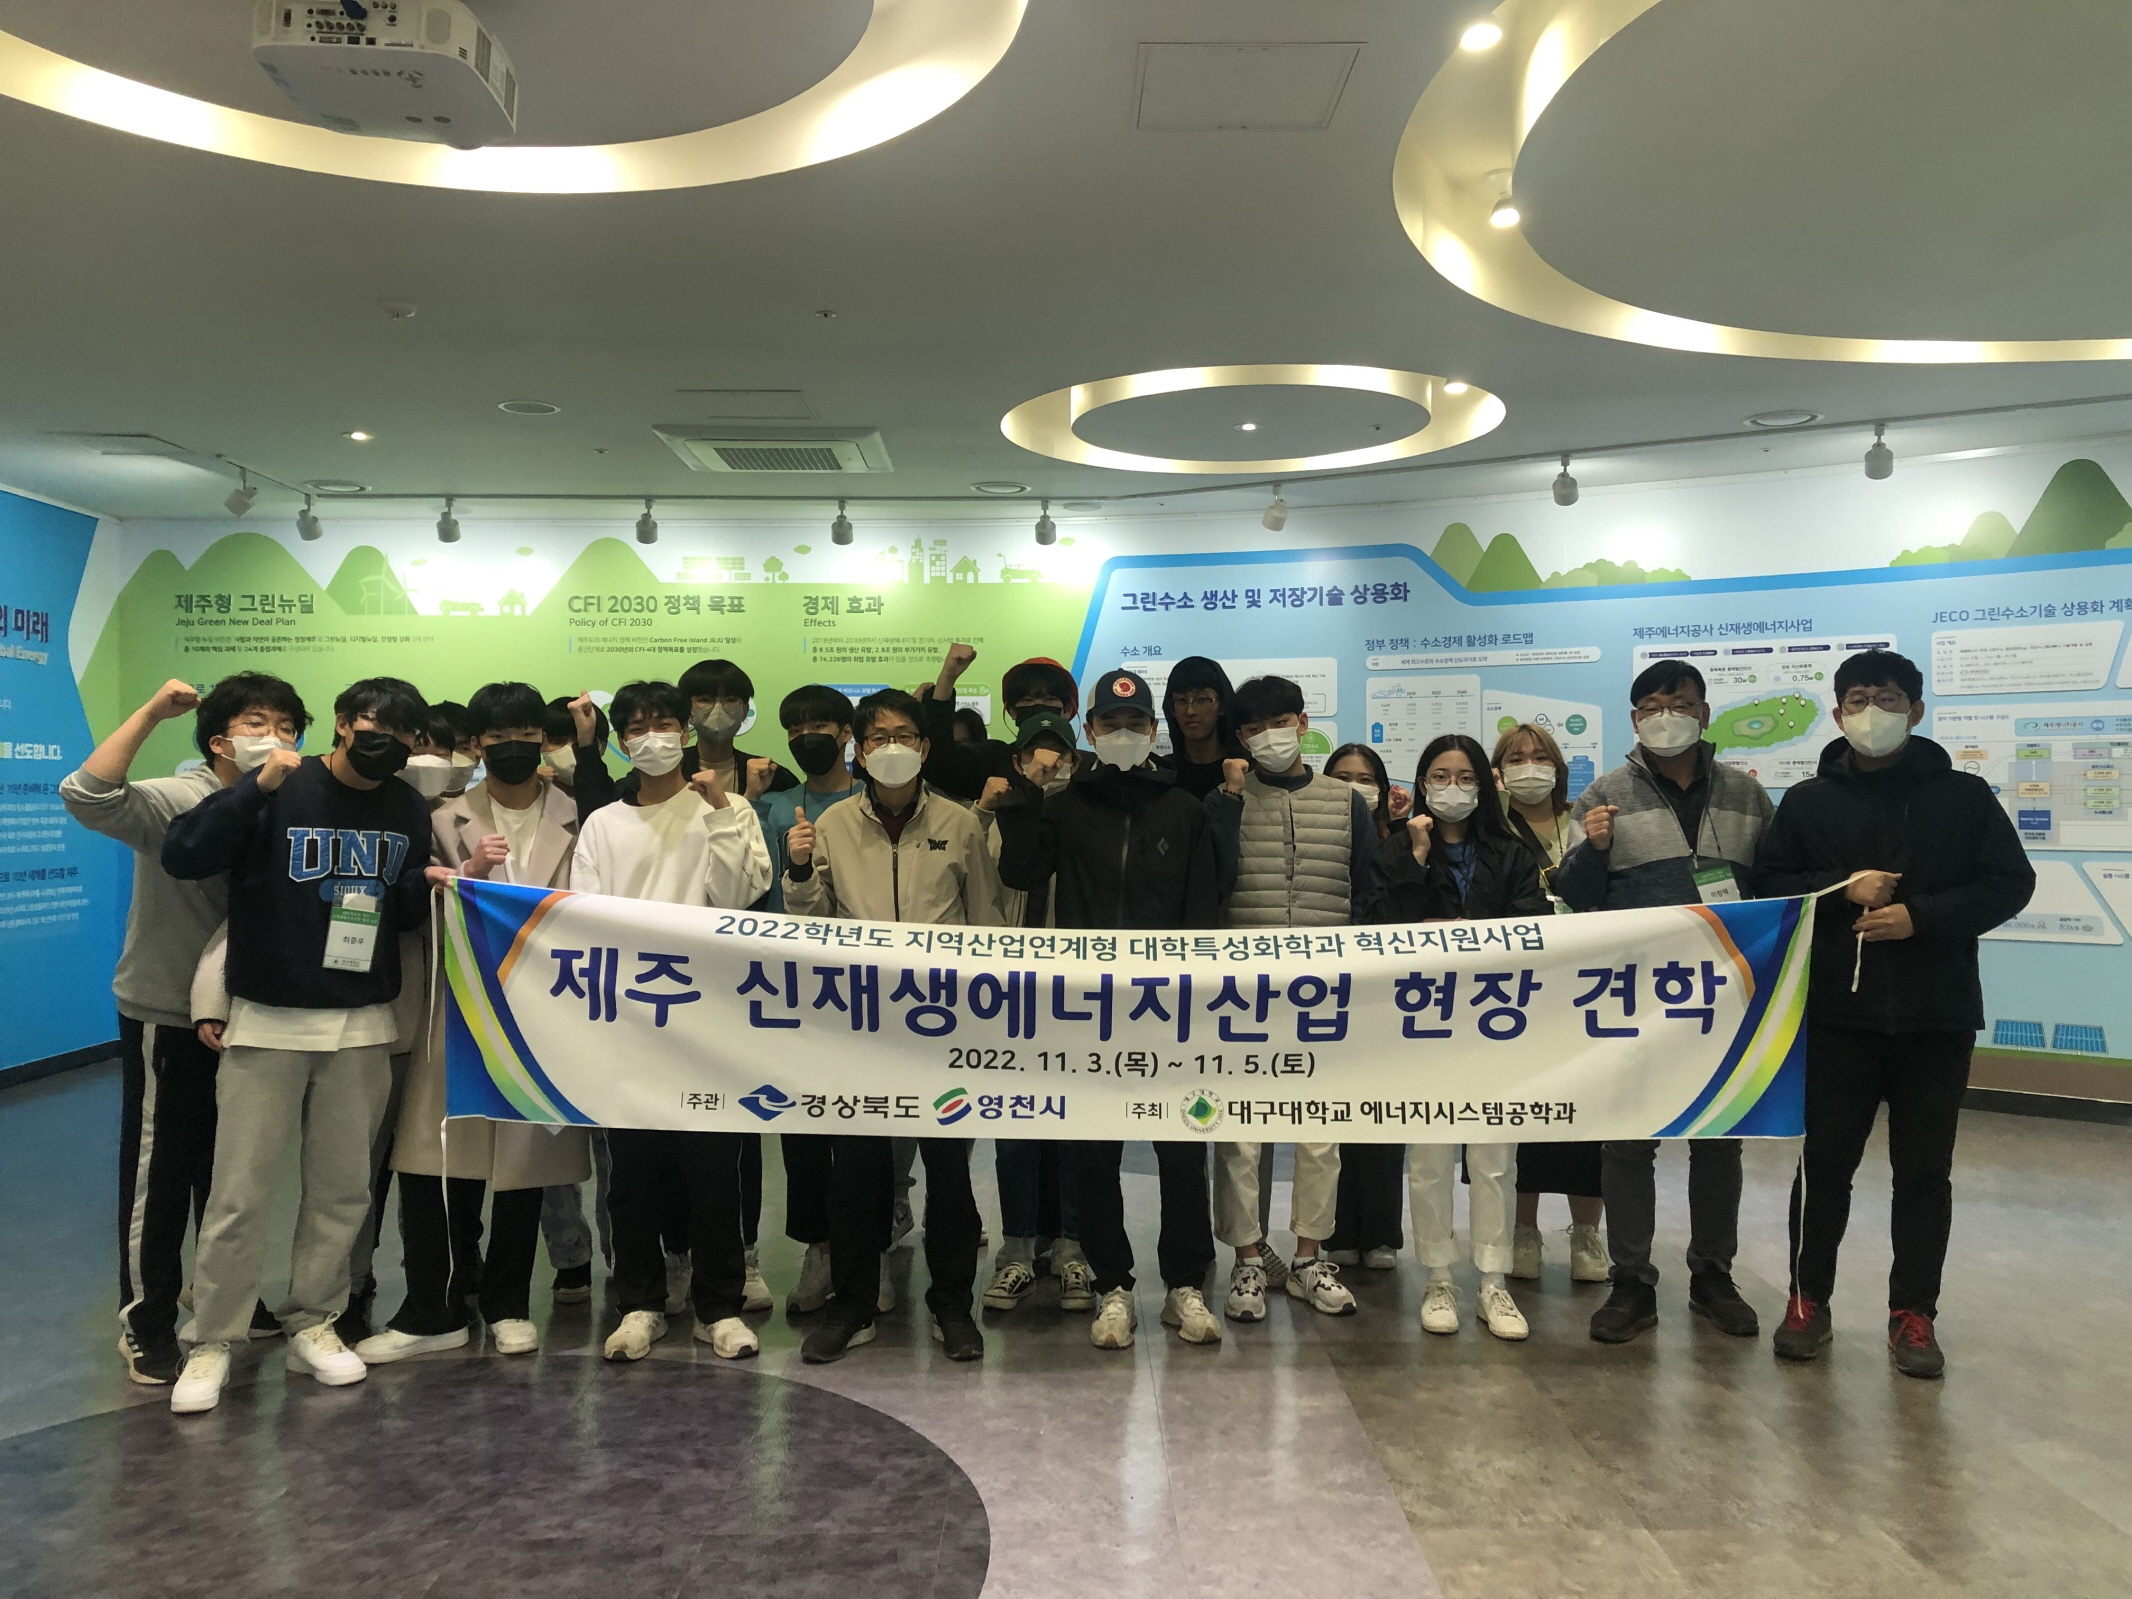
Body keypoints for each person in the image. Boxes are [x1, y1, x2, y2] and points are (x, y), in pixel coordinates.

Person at [158, 677, 443, 1415]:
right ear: (343, 724)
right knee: (239, 1191)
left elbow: (399, 909)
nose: (386, 742)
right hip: (269, 1017)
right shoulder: (278, 784)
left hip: (363, 1021)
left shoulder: (406, 806)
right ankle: (214, 1337)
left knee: (342, 1188)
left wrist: (444, 881)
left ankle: (313, 1319)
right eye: (373, 725)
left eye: (404, 735)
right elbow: (184, 854)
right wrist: (253, 789)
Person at [1755, 650, 2033, 1378]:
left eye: (1885, 698)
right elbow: (1770, 884)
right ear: (1836, 711)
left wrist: (1922, 918)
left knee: (1923, 1175)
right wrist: (1841, 887)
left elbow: (2011, 882)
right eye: (1856, 698)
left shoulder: (1964, 797)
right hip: (1836, 1019)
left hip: (1935, 1019)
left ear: (1914, 710)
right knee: (1824, 1168)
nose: (1869, 711)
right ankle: (1807, 1300)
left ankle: (1914, 1313)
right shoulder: (1807, 802)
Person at [61, 673, 309, 1385]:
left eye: (287, 725)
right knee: (163, 1168)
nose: (275, 737)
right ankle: (145, 1319)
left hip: (256, 1017)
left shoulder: (291, 800)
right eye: (257, 723)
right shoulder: (180, 796)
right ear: (220, 740)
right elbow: (86, 793)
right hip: (169, 1010)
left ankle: (222, 1293)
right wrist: (150, 711)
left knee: (230, 1165)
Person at [355, 681, 594, 1366]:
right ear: (477, 745)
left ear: (543, 740)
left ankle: (509, 1301)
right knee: (435, 1157)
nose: (511, 747)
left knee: (525, 1162)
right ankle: (434, 1305)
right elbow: (409, 907)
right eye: (496, 737)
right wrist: (465, 872)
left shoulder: (583, 816)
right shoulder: (438, 816)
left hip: (542, 1011)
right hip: (455, 1005)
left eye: (525, 735)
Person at [988, 668, 1225, 1348]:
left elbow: (1203, 911)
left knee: (1182, 1151)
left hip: (1169, 1008)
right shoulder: (1065, 807)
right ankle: (1112, 1285)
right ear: (1089, 731)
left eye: (1135, 723)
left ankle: (1184, 1286)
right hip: (1088, 1009)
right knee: (1093, 1152)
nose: (1123, 733)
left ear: (1153, 731)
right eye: (1110, 724)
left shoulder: (1184, 809)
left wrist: (1195, 995)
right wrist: (1026, 796)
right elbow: (1021, 872)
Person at [784, 688, 1004, 1364]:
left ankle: (951, 1303)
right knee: (856, 1172)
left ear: (926, 747)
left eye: (904, 735)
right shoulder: (832, 825)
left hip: (944, 1026)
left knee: (949, 1170)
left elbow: (986, 921)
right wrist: (798, 868)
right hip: (861, 1024)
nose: (892, 747)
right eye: (877, 737)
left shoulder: (961, 823)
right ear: (858, 748)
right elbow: (809, 924)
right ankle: (853, 1303)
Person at [1556, 659, 1773, 1344]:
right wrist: (1593, 849)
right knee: (1627, 1141)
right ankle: (1631, 1281)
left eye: (1678, 704)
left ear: (1704, 713)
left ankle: (1713, 1275)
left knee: (1719, 1139)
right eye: (1651, 706)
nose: (1665, 716)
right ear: (1634, 719)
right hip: (1636, 996)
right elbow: (1572, 896)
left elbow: (1778, 889)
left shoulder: (1747, 796)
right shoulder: (1604, 794)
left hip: (1725, 994)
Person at [570, 681, 773, 1363]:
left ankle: (719, 1308)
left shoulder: (730, 807)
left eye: (663, 723)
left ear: (685, 733)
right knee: (632, 1175)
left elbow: (738, 897)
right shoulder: (603, 823)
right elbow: (588, 917)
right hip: (630, 1022)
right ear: (620, 741)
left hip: (710, 1021)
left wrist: (716, 812)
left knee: (714, 1173)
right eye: (636, 727)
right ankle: (641, 1303)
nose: (651, 737)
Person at [1204, 675, 1374, 1323]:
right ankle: (1248, 1259)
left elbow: (1366, 892)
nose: (1268, 736)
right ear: (1239, 738)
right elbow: (1214, 882)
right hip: (1242, 990)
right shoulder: (1225, 800)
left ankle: (1308, 1258)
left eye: (1279, 722)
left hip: (1325, 989)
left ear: (1302, 723)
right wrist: (1229, 799)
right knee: (1239, 1132)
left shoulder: (1345, 801)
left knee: (1320, 1129)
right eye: (1252, 728)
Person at [1370, 734, 1546, 1339]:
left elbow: (1535, 924)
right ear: (1422, 784)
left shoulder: (1512, 851)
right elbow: (1377, 924)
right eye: (1440, 777)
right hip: (1423, 1024)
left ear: (1485, 785)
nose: (1453, 788)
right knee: (1429, 1157)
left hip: (1496, 1023)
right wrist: (1417, 858)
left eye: (1465, 777)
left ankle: (1494, 1281)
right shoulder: (1399, 848)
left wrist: (1468, 931)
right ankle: (1438, 1277)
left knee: (1495, 1159)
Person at [751, 685, 865, 1314]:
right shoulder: (772, 806)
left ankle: (867, 1250)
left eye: (819, 725)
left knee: (865, 1128)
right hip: (791, 986)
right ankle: (818, 1248)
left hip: (865, 990)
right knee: (801, 1128)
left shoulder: (871, 799)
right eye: (794, 729)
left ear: (847, 733)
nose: (806, 738)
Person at [1491, 723, 1607, 1287]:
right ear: (1498, 770)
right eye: (1516, 758)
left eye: (1540, 757)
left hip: (1584, 981)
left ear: (1558, 767)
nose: (1529, 766)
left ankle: (1586, 1232)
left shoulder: (1583, 820)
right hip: (1514, 989)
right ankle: (1523, 1231)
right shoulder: (1490, 826)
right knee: (1521, 1112)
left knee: (1589, 1111)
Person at [1321, 743, 1407, 1271]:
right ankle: (1335, 1232)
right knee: (1333, 1116)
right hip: (1330, 986)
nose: (1355, 787)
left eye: (1365, 778)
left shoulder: (1402, 837)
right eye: (1342, 777)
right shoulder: (1320, 833)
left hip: (1386, 991)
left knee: (1382, 1113)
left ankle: (1380, 1234)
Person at [917, 643, 1090, 801]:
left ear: (1068, 710)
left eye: (1049, 699)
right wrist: (948, 677)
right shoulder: (993, 760)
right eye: (1027, 700)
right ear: (1012, 711)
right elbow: (938, 763)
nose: (1037, 706)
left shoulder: (1090, 767)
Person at [1157, 655, 1247, 800]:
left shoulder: (1245, 769)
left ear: (1223, 705)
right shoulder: (1163, 773)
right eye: (1181, 701)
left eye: (1201, 700)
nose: (1190, 711)